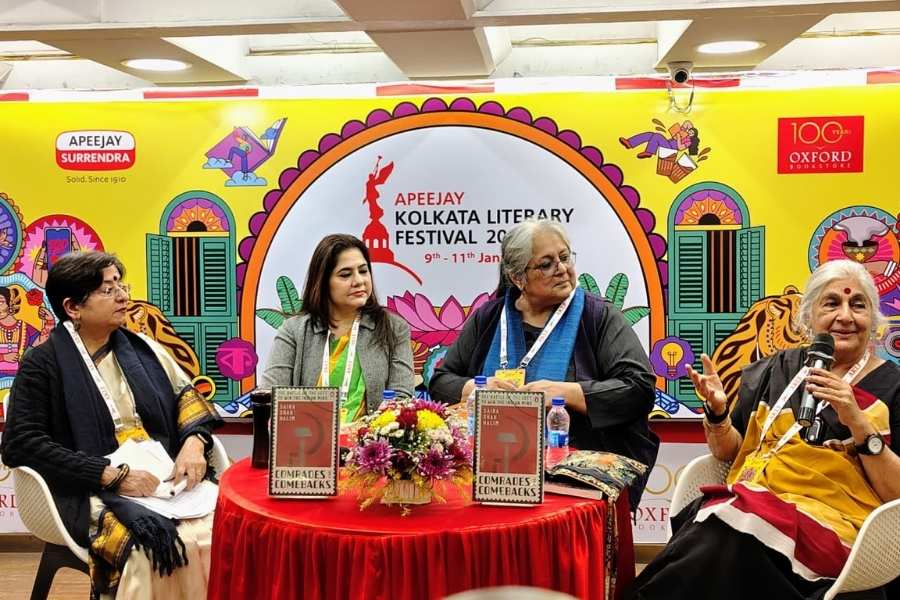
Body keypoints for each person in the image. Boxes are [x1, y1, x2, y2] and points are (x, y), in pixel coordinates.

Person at [631, 259, 900, 600]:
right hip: (754, 505)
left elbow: (896, 494)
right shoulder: (776, 370)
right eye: (832, 303)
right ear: (809, 318)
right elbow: (730, 453)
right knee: (726, 530)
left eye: (858, 305)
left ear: (873, 321)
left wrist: (859, 423)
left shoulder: (893, 387)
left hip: (833, 525)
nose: (845, 316)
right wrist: (717, 414)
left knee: (721, 532)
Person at [1, 251, 223, 599]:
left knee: (224, 530)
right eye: (108, 289)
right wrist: (109, 475)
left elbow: (186, 397)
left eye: (121, 284)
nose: (123, 296)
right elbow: (22, 443)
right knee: (151, 546)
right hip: (89, 488)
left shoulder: (144, 349)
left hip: (164, 481)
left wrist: (195, 442)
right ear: (73, 307)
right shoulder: (42, 364)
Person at [429, 219, 659, 508]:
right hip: (490, 477)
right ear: (517, 278)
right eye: (546, 264)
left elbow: (638, 388)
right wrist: (477, 387)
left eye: (564, 258)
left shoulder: (597, 317)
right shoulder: (489, 318)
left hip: (573, 483)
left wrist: (567, 394)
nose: (562, 269)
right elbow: (440, 382)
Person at [260, 234, 414, 423]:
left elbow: (401, 398)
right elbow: (269, 396)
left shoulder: (393, 328)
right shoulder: (294, 330)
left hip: (370, 447)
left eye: (363, 271)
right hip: (305, 443)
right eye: (345, 274)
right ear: (323, 282)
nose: (359, 281)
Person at [0, 286, 55, 377]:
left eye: (0, 302)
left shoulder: (25, 327)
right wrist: (4, 357)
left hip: (21, 379)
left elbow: (41, 343)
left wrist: (49, 322)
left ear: (11, 303)